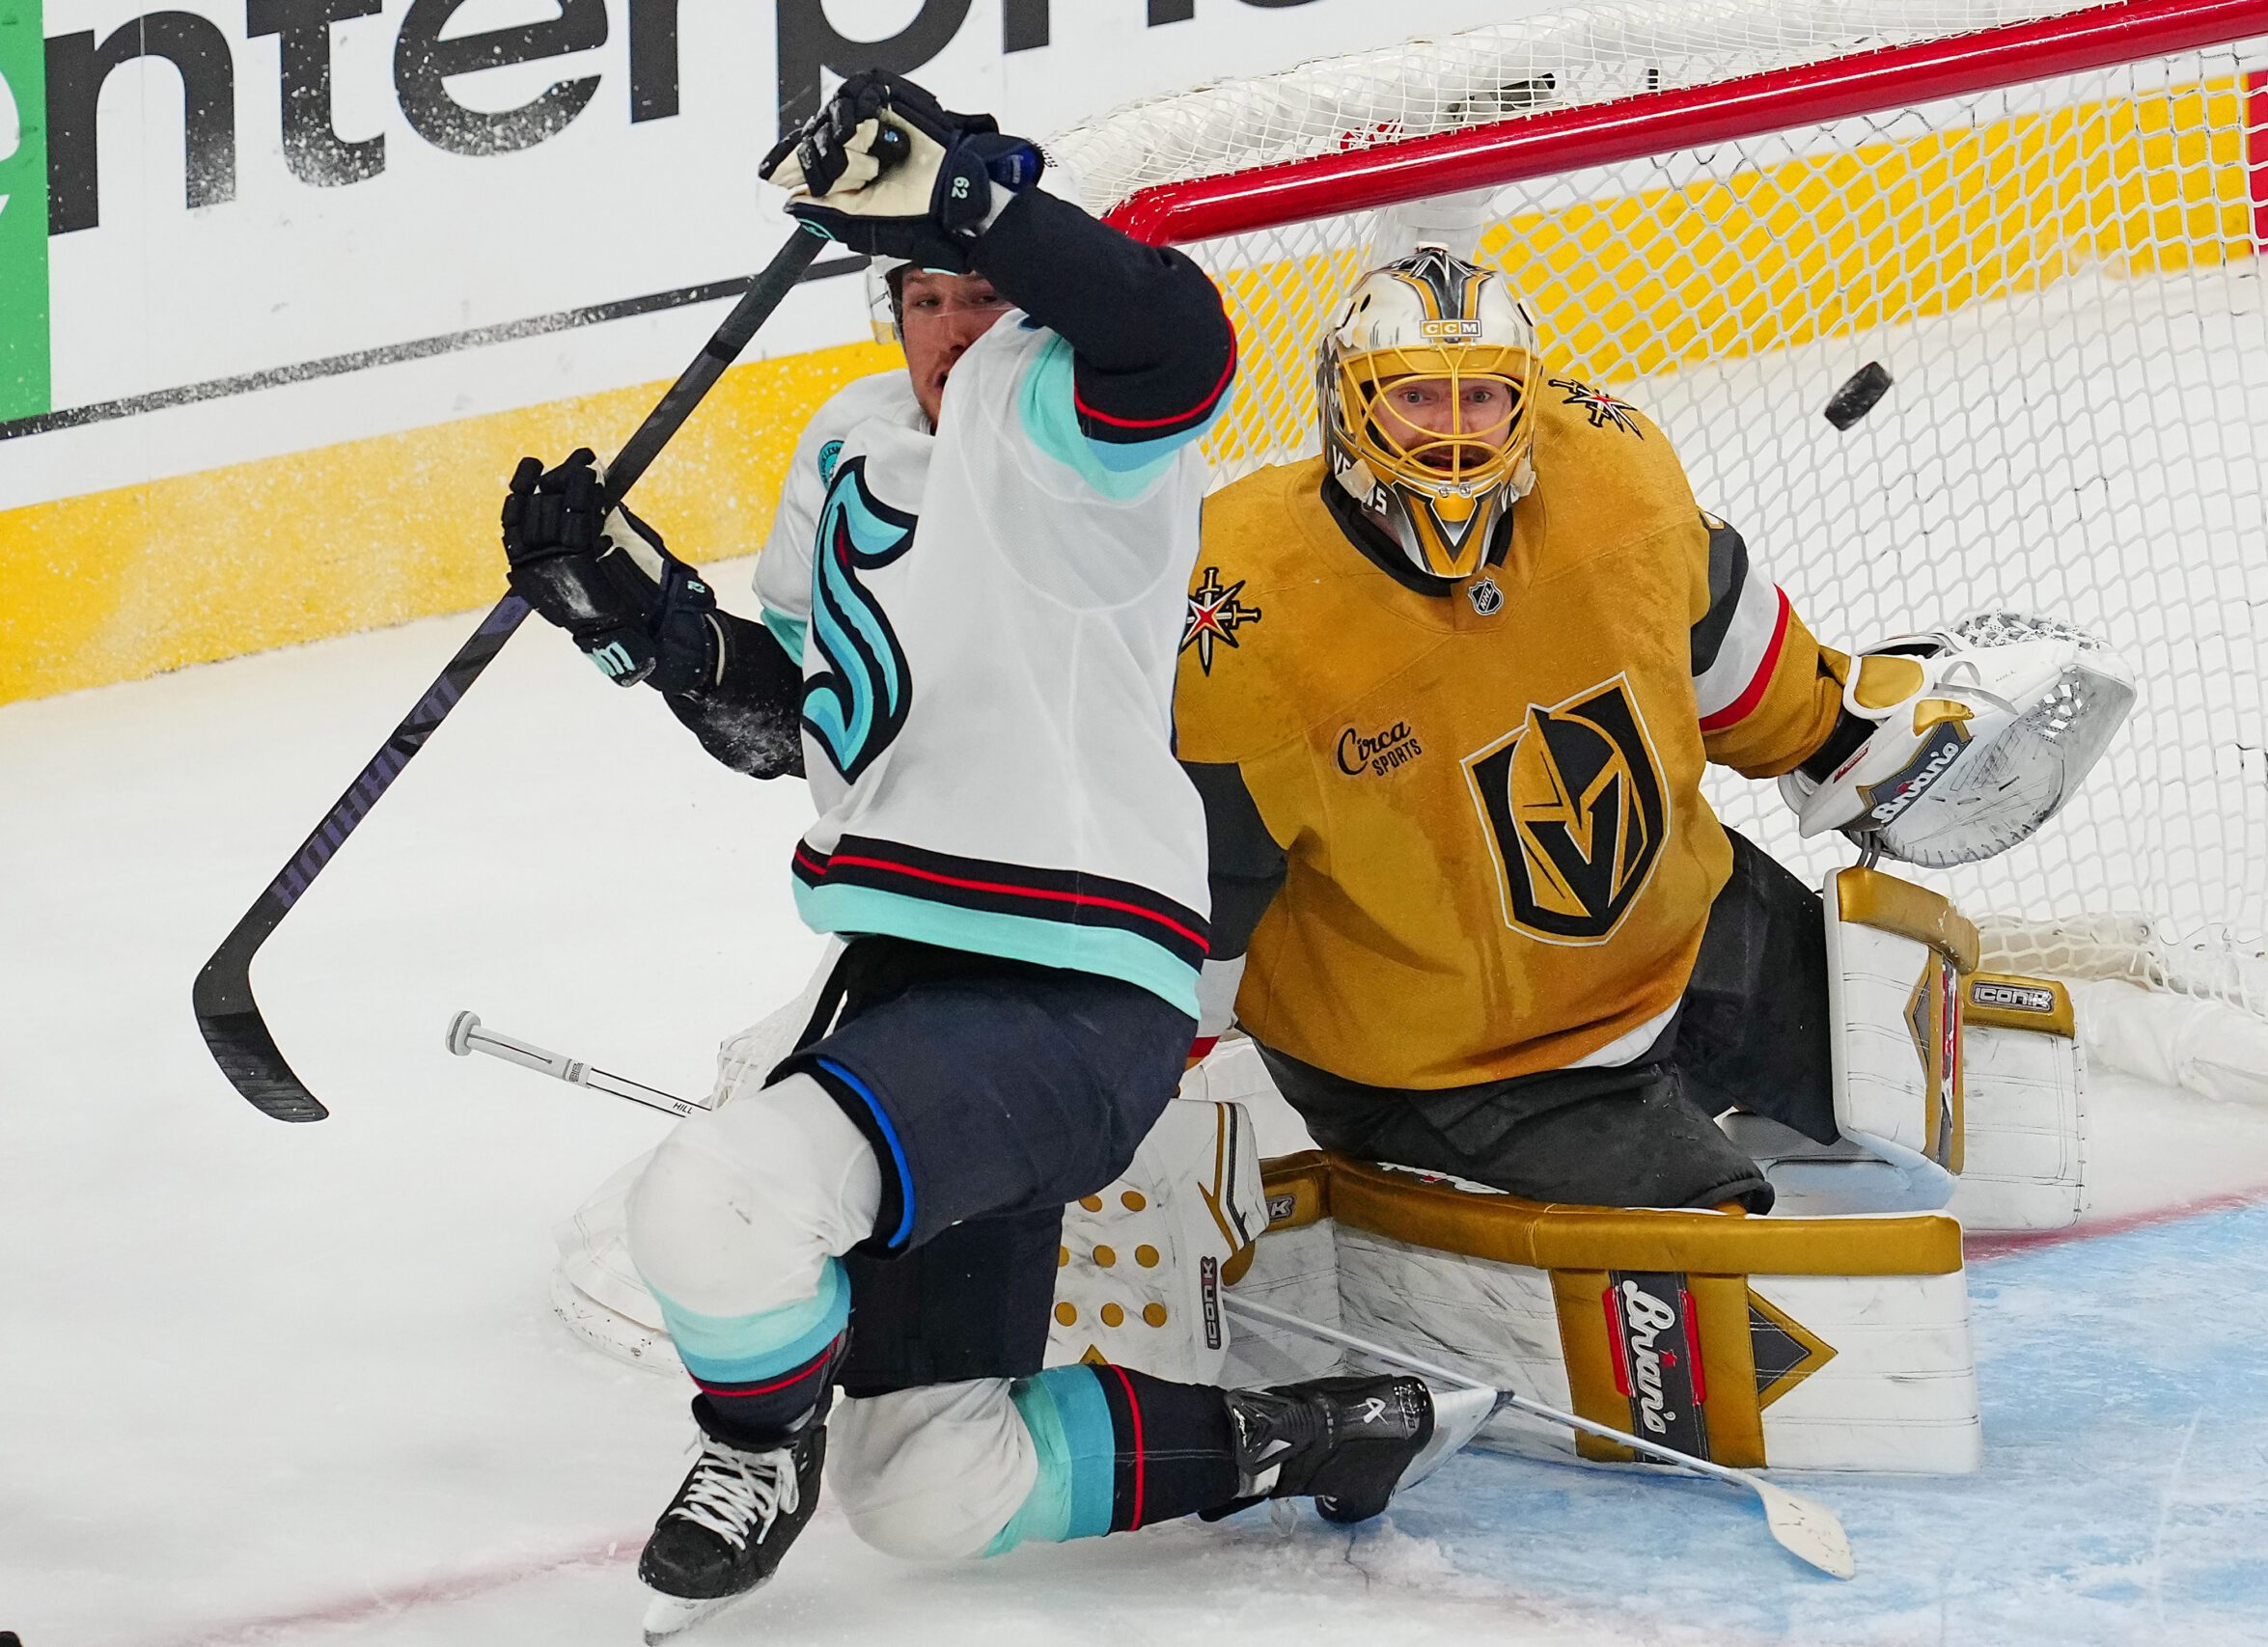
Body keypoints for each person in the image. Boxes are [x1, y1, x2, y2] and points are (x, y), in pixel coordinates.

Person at [498, 75, 1468, 1639]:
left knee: (717, 1203)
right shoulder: (848, 448)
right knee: (930, 1487)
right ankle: (1313, 1431)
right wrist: (640, 624)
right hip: (907, 990)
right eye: (924, 297)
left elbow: (1180, 337)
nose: (953, 325)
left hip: (1074, 997)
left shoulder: (1070, 421)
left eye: (980, 291)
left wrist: (968, 204)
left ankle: (751, 1442)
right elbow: (798, 730)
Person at [1175, 243, 1887, 1216]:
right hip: (1456, 1071)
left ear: (1527, 400)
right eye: (1415, 398)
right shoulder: (1244, 608)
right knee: (1717, 1265)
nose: (1453, 436)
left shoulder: (1611, 470)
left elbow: (1727, 657)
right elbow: (1199, 897)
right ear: (1347, 406)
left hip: (1683, 938)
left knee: (1908, 1062)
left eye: (1482, 400)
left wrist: (1845, 741)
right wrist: (1142, 1084)